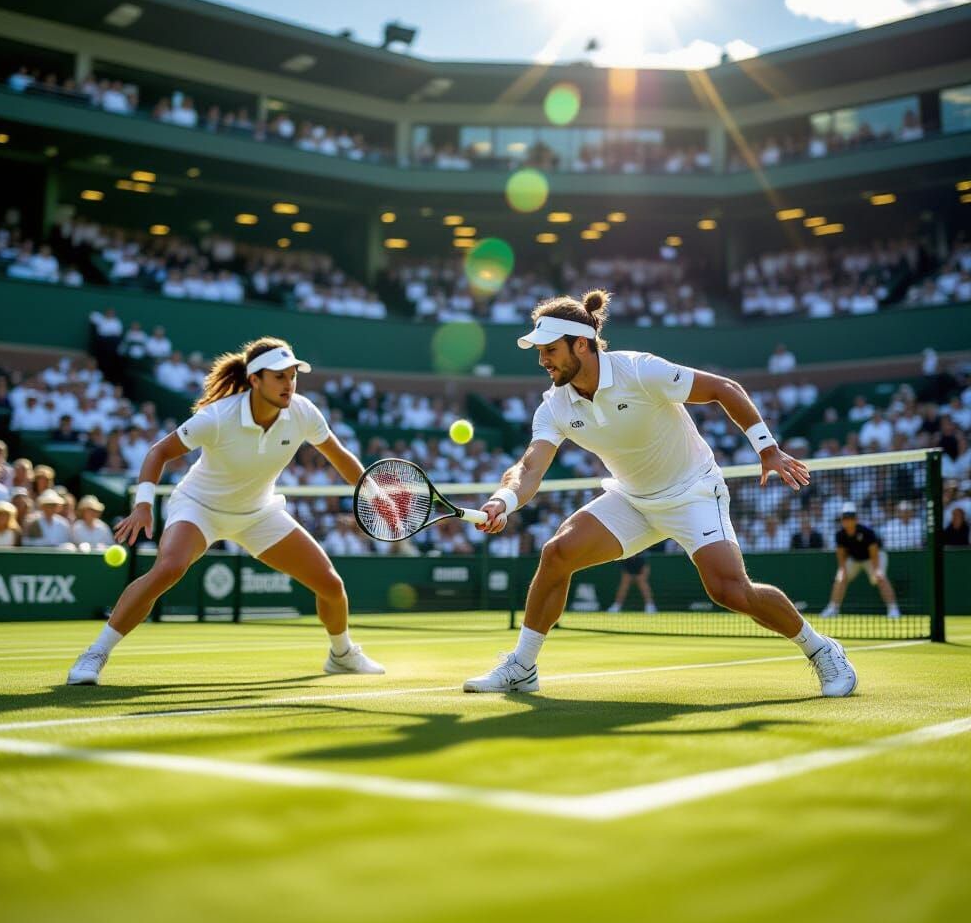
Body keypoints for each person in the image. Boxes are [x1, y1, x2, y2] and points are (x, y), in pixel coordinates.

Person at [464, 290, 857, 697]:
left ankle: (822, 649)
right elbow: (529, 467)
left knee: (729, 590)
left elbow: (723, 388)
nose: (543, 360)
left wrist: (768, 448)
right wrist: (504, 500)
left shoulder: (640, 371)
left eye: (550, 350)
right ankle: (523, 667)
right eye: (540, 352)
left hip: (693, 492)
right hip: (633, 500)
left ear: (581, 343)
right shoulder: (554, 406)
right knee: (557, 553)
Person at [66, 336, 385, 685]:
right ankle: (96, 652)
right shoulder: (217, 417)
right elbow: (159, 452)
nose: (288, 384)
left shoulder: (303, 412)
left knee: (330, 585)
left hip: (259, 513)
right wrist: (143, 504)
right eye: (279, 376)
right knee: (169, 568)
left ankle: (341, 655)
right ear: (254, 380)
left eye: (293, 375)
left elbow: (338, 455)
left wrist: (376, 494)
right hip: (199, 507)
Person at [820, 503, 901, 619]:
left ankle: (893, 609)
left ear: (856, 519)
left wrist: (877, 570)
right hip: (854, 559)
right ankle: (832, 609)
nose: (847, 520)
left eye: (850, 517)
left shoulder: (867, 532)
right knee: (840, 579)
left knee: (881, 578)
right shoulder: (840, 535)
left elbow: (874, 552)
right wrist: (842, 570)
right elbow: (841, 554)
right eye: (845, 517)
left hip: (874, 558)